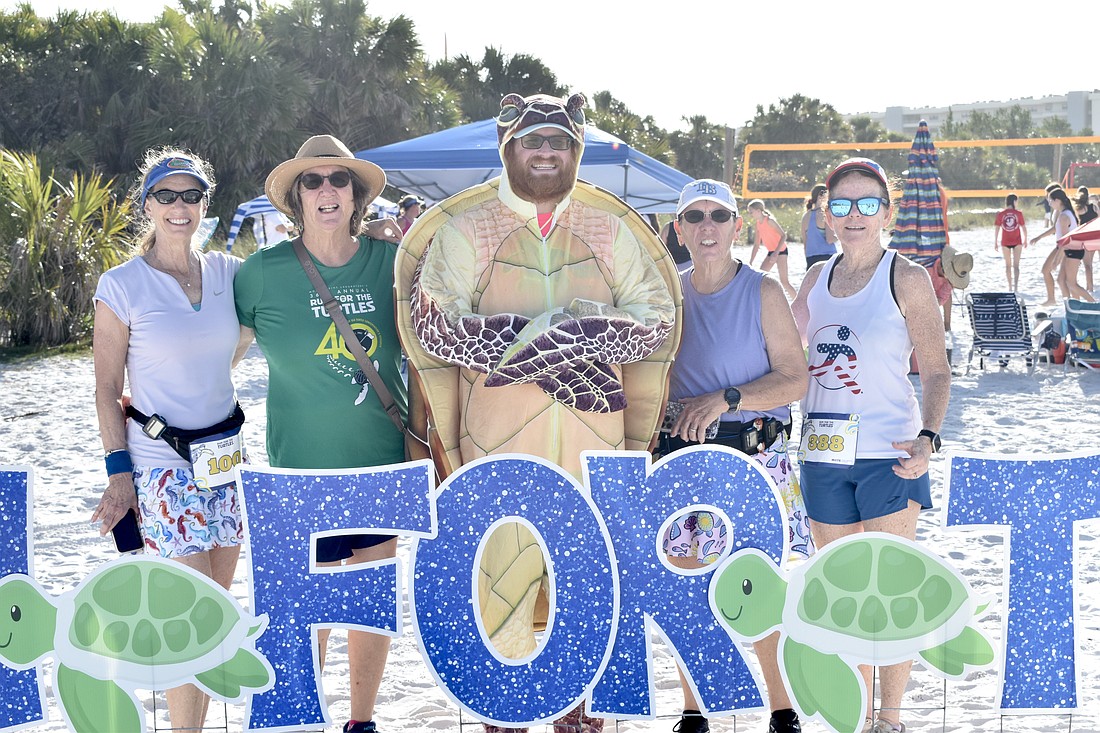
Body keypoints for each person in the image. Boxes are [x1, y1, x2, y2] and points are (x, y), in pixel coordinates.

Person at [396, 91, 678, 733]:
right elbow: (435, 324)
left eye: (558, 141)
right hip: (497, 452)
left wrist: (568, 331)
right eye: (532, 140)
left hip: (593, 447)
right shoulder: (467, 229)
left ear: (576, 149)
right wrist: (550, 347)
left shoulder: (609, 229)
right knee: (501, 599)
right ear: (508, 147)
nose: (545, 152)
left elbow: (656, 320)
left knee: (589, 604)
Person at [235, 134, 408, 733]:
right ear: (297, 197)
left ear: (356, 196)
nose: (327, 190)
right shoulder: (261, 273)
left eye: (339, 180)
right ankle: (306, 718)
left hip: (382, 460)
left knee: (370, 601)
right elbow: (218, 359)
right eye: (313, 181)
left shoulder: (392, 264)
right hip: (298, 471)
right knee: (310, 606)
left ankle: (361, 722)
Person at [92, 149, 252, 733]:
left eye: (191, 196)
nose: (179, 206)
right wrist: (119, 475)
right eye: (166, 195)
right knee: (192, 617)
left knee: (216, 618)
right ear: (147, 205)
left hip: (226, 464)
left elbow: (246, 334)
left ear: (205, 204)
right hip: (161, 467)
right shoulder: (121, 285)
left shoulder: (230, 272)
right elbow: (106, 387)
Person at [791, 158, 950, 733]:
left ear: (887, 212)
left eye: (866, 204)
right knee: (844, 592)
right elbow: (781, 355)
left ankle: (891, 718)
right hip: (822, 454)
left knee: (890, 590)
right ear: (825, 214)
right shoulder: (814, 279)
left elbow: (936, 370)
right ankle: (858, 715)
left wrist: (928, 437)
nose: (853, 215)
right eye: (840, 205)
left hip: (891, 455)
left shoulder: (906, 278)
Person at [655, 179, 811, 733]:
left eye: (718, 216)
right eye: (694, 217)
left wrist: (727, 398)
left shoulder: (763, 291)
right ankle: (693, 712)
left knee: (758, 586)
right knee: (686, 590)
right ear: (679, 230)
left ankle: (782, 710)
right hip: (684, 462)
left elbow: (795, 379)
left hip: (755, 459)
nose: (707, 226)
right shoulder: (665, 295)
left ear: (736, 226)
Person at [1046, 187, 1093, 302]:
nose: (1049, 203)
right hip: (1071, 249)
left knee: (1071, 283)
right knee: (1061, 280)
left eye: (1051, 200)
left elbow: (1065, 240)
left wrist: (1056, 259)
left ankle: (1094, 304)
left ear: (1058, 200)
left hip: (1073, 250)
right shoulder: (1066, 212)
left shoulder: (1064, 216)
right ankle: (1071, 305)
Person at [747, 199, 797, 299]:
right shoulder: (758, 224)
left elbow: (784, 235)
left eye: (751, 212)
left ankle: (799, 302)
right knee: (760, 278)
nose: (750, 214)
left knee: (784, 282)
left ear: (758, 211)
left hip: (781, 251)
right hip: (771, 252)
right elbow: (756, 244)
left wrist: (776, 252)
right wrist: (751, 262)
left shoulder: (769, 221)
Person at [1030, 183, 1067, 307]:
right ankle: (1053, 299)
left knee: (1050, 272)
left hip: (1063, 245)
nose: (1047, 198)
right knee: (1062, 278)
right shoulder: (1059, 210)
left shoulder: (1062, 211)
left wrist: (1039, 237)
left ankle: (1054, 299)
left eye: (1048, 195)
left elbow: (1055, 229)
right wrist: (1039, 237)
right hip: (1061, 244)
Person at [994, 193, 1028, 291]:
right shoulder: (1018, 214)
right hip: (1016, 241)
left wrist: (995, 241)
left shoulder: (1001, 214)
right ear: (1014, 201)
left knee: (1008, 266)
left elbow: (997, 228)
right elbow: (1024, 228)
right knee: (1016, 266)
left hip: (1006, 241)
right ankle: (1015, 287)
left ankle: (1010, 287)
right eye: (1017, 201)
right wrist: (1025, 239)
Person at [800, 184, 837, 269]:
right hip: (827, 256)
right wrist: (843, 234)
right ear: (822, 196)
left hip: (810, 258)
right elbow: (830, 239)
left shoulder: (805, 216)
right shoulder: (824, 213)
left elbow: (805, 244)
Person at [1075, 186, 1096, 293]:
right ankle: (1090, 286)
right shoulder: (1094, 207)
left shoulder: (1078, 209)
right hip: (1095, 237)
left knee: (1087, 264)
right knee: (1090, 264)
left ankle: (1090, 287)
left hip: (1084, 238)